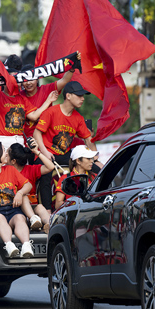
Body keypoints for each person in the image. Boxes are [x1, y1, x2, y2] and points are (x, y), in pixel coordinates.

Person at [33, 81, 97, 212]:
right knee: (46, 171)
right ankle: (47, 212)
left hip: (64, 155)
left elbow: (88, 139)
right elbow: (36, 133)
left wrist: (94, 157)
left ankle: (93, 204)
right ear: (68, 96)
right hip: (47, 153)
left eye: (83, 96)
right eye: (79, 96)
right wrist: (44, 152)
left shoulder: (78, 118)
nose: (82, 99)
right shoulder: (51, 112)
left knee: (95, 169)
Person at [0, 85, 57, 151]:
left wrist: (49, 100)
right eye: (10, 79)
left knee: (20, 170)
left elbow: (34, 116)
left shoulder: (22, 99)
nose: (13, 82)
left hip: (18, 142)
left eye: (16, 79)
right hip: (0, 141)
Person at [19, 52, 80, 138]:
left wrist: (72, 66)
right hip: (28, 141)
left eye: (31, 79)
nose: (28, 83)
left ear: (37, 79)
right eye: (25, 80)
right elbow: (33, 117)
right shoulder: (19, 96)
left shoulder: (46, 89)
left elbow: (64, 81)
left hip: (47, 139)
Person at [6, 139, 55, 233]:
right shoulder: (4, 170)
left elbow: (51, 167)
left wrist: (36, 152)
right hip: (14, 209)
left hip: (32, 207)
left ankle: (50, 226)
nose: (5, 155)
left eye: (7, 153)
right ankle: (34, 221)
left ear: (13, 161)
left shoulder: (30, 169)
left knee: (40, 207)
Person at [54, 145, 99, 210]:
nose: (92, 161)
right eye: (88, 158)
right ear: (78, 161)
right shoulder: (65, 178)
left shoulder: (95, 176)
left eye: (92, 158)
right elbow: (58, 205)